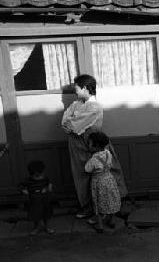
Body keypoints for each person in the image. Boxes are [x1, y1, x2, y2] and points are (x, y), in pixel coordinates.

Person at [61, 74, 127, 220]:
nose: (75, 91)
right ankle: (88, 207)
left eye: (77, 87)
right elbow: (64, 121)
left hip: (94, 143)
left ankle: (113, 205)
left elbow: (72, 125)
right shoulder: (77, 104)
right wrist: (69, 121)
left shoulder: (94, 107)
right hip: (78, 144)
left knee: (104, 173)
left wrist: (70, 121)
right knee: (82, 175)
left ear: (85, 88)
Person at [85, 131, 121, 233]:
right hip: (109, 179)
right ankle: (112, 220)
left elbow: (87, 169)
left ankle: (100, 225)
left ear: (95, 146)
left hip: (98, 182)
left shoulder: (93, 159)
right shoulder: (108, 153)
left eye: (89, 143)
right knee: (111, 200)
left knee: (98, 202)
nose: (88, 145)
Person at [18, 160, 55, 236]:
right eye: (37, 176)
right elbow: (20, 186)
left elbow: (49, 184)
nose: (40, 177)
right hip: (34, 201)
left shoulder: (45, 179)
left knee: (46, 214)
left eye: (41, 175)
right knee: (35, 215)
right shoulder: (28, 181)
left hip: (45, 200)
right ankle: (36, 227)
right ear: (32, 175)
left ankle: (47, 227)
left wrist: (48, 188)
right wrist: (23, 190)